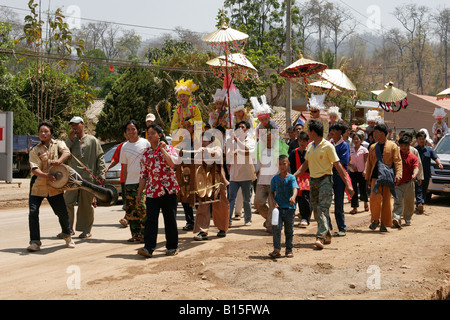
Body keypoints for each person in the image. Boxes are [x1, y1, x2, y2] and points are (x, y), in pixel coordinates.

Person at [294, 120, 354, 249]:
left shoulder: (328, 146)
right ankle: (327, 234)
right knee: (316, 210)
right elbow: (305, 165)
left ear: (314, 132)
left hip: (326, 180)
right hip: (313, 181)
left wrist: (348, 185)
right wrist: (293, 176)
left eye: (309, 130)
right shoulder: (310, 146)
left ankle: (320, 237)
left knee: (322, 208)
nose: (307, 133)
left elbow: (338, 166)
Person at [27, 121, 75, 252]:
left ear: (51, 133)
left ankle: (67, 235)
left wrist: (58, 161)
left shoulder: (58, 144)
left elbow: (67, 153)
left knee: (61, 212)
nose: (43, 133)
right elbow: (34, 169)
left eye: (46, 131)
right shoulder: (35, 150)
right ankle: (35, 242)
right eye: (41, 131)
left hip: (55, 185)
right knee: (33, 212)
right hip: (38, 185)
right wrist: (46, 176)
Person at [137, 124, 179, 258]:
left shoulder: (169, 148)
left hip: (168, 190)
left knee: (170, 219)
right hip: (152, 192)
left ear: (159, 135)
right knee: (151, 220)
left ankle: (172, 247)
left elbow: (173, 163)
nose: (149, 136)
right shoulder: (145, 154)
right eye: (148, 133)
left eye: (152, 133)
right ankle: (148, 248)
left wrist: (163, 150)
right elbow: (143, 175)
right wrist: (139, 193)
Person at [64, 116, 106, 239]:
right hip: (72, 178)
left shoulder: (92, 140)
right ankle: (68, 228)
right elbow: (63, 153)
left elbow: (100, 157)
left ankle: (86, 230)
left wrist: (101, 174)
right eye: (72, 125)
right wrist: (70, 140)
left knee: (86, 204)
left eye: (76, 124)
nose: (74, 127)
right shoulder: (70, 141)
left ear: (82, 124)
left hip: (88, 178)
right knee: (67, 202)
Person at [365, 124, 402, 232]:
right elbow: (369, 164)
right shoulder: (372, 147)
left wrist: (398, 175)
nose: (374, 135)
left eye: (376, 133)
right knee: (374, 198)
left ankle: (384, 223)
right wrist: (367, 178)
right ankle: (375, 220)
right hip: (375, 178)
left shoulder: (393, 146)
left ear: (382, 133)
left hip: (387, 177)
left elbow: (398, 162)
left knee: (386, 200)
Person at [193, 131, 229, 240]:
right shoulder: (199, 150)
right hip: (204, 181)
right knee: (203, 203)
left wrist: (207, 150)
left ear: (211, 141)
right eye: (202, 141)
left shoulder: (216, 148)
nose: (203, 143)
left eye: (205, 141)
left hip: (218, 180)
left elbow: (217, 154)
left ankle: (222, 228)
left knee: (221, 203)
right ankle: (202, 231)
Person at [120, 120, 150, 242]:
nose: (131, 132)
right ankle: (136, 235)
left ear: (138, 130)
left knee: (142, 207)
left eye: (133, 129)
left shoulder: (145, 143)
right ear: (125, 132)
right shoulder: (124, 147)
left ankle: (145, 234)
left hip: (144, 181)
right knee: (131, 210)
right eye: (128, 129)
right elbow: (125, 166)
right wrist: (126, 183)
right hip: (130, 183)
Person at [254, 131, 288, 233]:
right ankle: (271, 219)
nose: (269, 140)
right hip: (261, 181)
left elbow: (284, 165)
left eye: (271, 138)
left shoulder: (280, 150)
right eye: (267, 137)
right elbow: (257, 164)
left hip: (274, 181)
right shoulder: (260, 149)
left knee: (273, 204)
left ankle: (270, 224)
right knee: (257, 202)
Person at [269, 155, 298, 258]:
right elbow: (271, 192)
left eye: (284, 164)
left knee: (289, 230)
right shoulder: (275, 179)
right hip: (278, 209)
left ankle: (289, 250)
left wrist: (293, 197)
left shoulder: (291, 178)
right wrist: (273, 202)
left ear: (288, 164)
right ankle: (276, 249)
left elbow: (295, 189)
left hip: (290, 208)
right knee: (276, 228)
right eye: (280, 164)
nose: (282, 166)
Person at [227, 120, 256, 227]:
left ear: (247, 130)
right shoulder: (232, 141)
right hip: (234, 175)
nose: (240, 129)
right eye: (238, 127)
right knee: (231, 198)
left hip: (246, 174)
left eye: (242, 127)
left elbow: (248, 151)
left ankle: (248, 219)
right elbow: (228, 156)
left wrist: (237, 149)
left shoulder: (250, 141)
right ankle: (228, 220)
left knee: (247, 199)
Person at [392, 135, 419, 228]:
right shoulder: (395, 156)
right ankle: (396, 218)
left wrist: (414, 175)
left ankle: (407, 218)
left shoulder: (413, 157)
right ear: (399, 145)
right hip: (397, 183)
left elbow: (416, 167)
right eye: (402, 145)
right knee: (397, 201)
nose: (403, 147)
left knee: (409, 202)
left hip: (409, 183)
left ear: (409, 145)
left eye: (405, 145)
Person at [329, 122, 350, 236]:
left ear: (340, 132)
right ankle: (328, 225)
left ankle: (342, 227)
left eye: (335, 130)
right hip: (329, 174)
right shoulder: (330, 143)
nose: (333, 132)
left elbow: (342, 162)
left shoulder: (344, 145)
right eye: (332, 130)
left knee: (338, 202)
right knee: (326, 201)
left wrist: (332, 163)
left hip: (339, 175)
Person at [415, 131, 443, 212]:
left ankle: (420, 204)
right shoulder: (414, 150)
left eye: (423, 139)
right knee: (418, 189)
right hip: (417, 174)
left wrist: (439, 164)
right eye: (420, 139)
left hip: (426, 174)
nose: (421, 140)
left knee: (424, 190)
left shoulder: (429, 150)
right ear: (416, 140)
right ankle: (420, 203)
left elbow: (435, 157)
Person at [289, 131, 311, 228]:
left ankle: (305, 217)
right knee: (295, 198)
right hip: (295, 177)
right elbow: (290, 166)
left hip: (307, 179)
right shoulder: (294, 152)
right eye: (300, 141)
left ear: (307, 142)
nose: (302, 143)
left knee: (305, 198)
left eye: (304, 141)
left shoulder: (310, 152)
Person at [105, 133, 128, 226]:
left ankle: (129, 218)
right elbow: (115, 159)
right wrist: (108, 167)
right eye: (127, 131)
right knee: (127, 201)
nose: (129, 133)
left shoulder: (142, 144)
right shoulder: (121, 146)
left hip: (139, 179)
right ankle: (127, 218)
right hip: (124, 179)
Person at [348, 131, 369, 214]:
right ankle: (354, 207)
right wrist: (351, 166)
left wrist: (365, 170)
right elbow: (347, 161)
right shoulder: (351, 150)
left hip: (361, 172)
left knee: (363, 189)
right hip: (353, 173)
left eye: (357, 139)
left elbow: (366, 161)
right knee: (353, 190)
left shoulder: (364, 150)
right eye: (354, 139)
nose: (356, 141)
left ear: (361, 140)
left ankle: (365, 203)